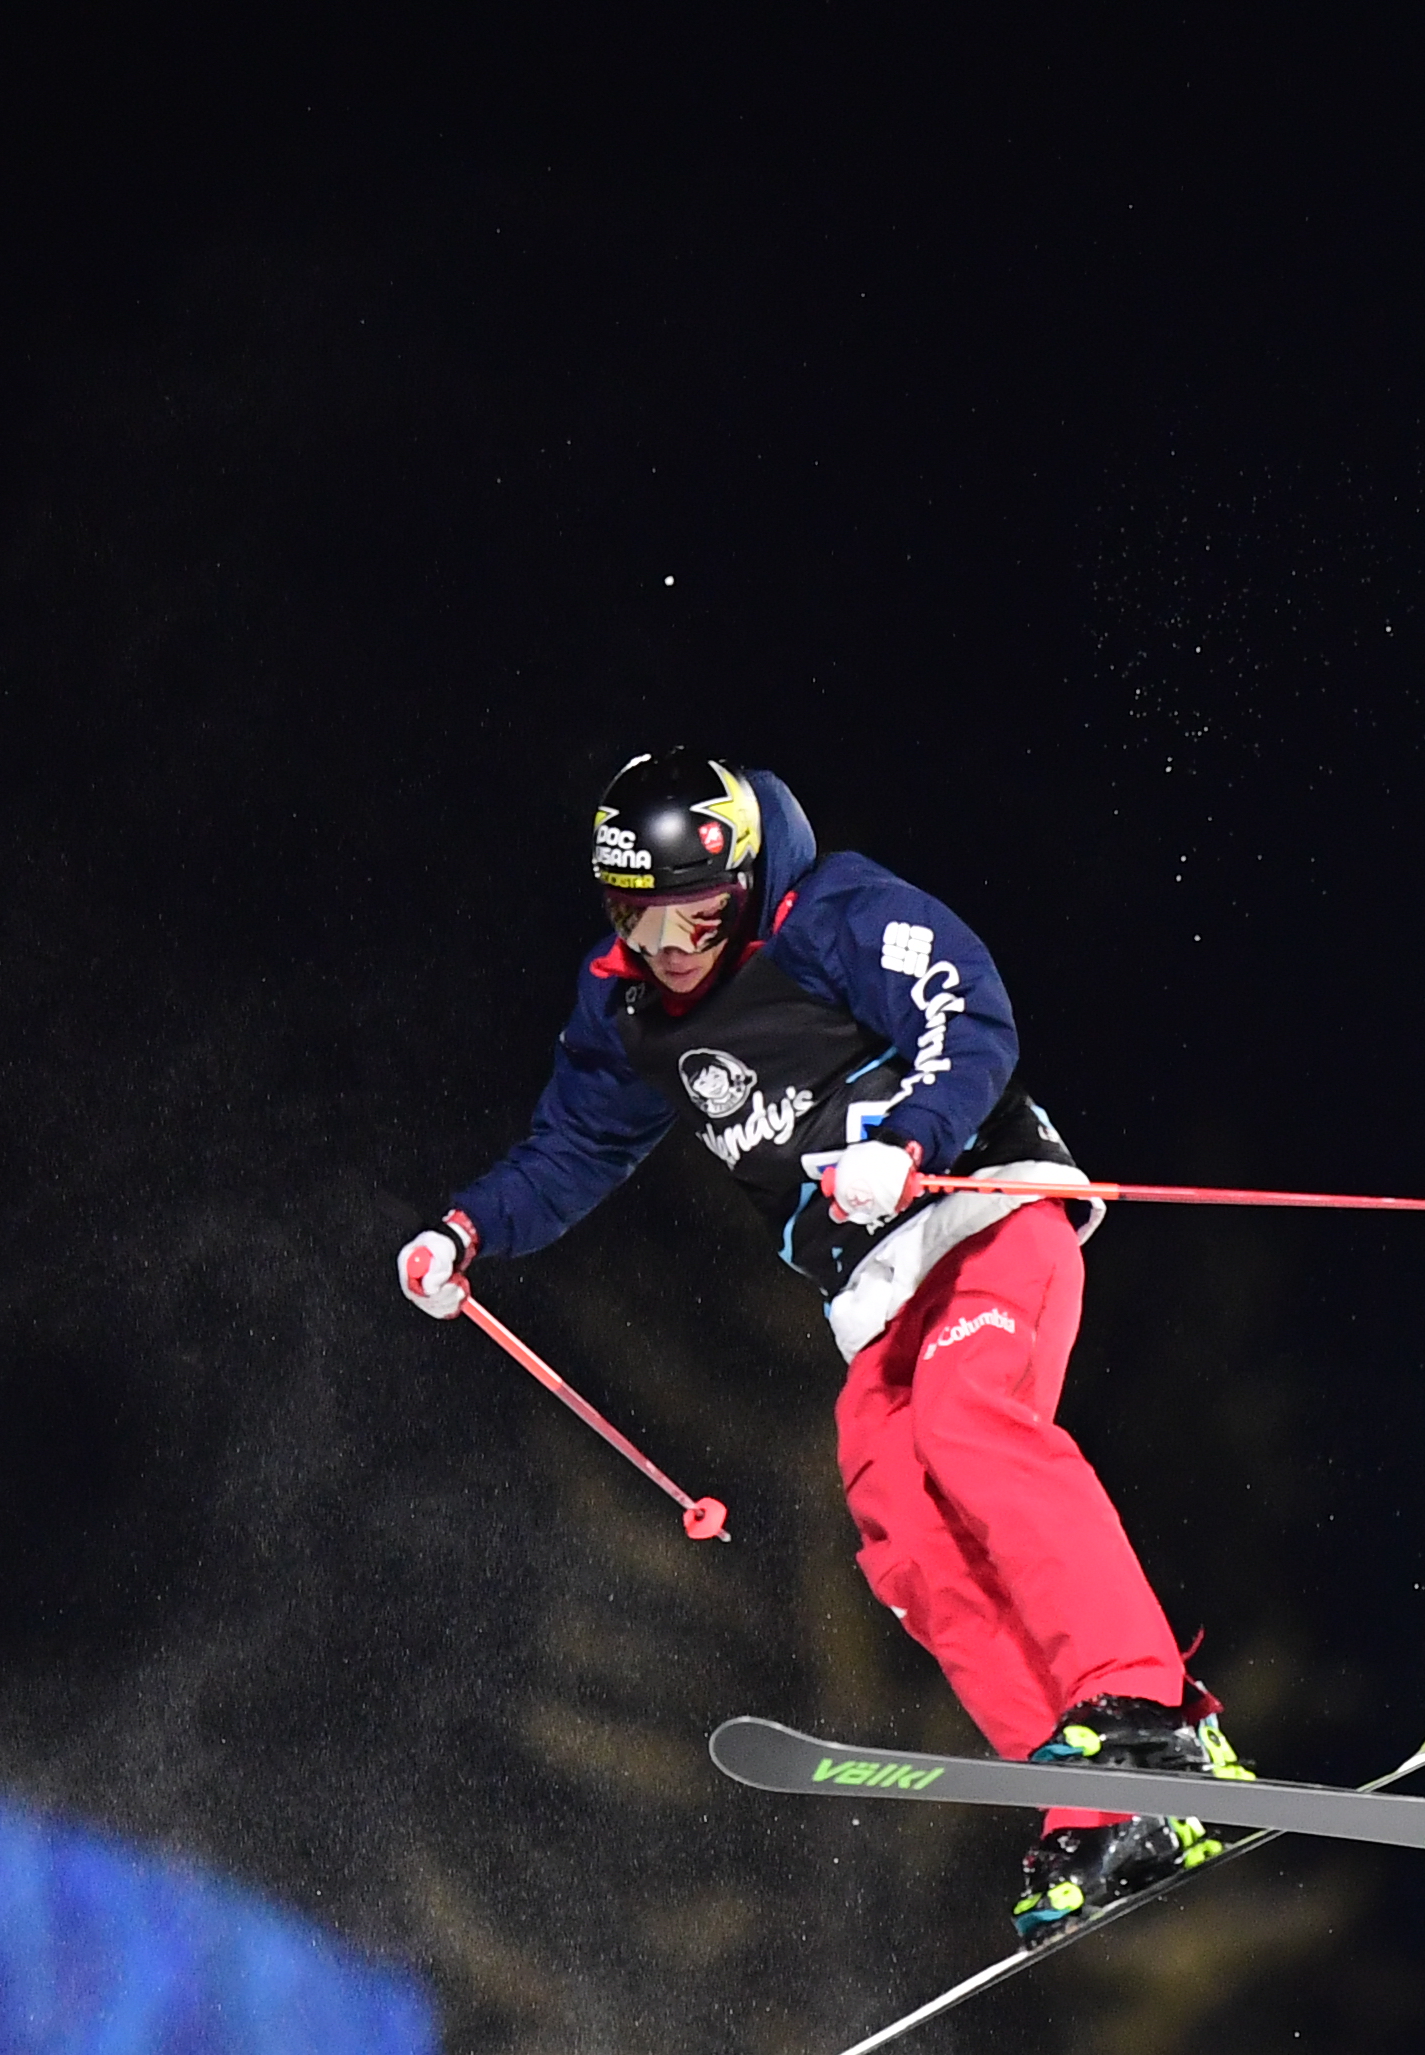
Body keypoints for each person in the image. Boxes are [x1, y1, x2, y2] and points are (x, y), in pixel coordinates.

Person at [401, 752, 1250, 1936]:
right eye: (637, 920)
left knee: (969, 1426)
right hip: (875, 1291)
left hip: (986, 1212)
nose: (672, 948)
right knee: (900, 1521)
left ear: (741, 883)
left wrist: (909, 1136)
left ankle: (1148, 1717)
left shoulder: (833, 913)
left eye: (695, 915)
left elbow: (969, 1010)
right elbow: (575, 1147)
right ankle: (1091, 1796)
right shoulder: (628, 1006)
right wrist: (466, 1229)